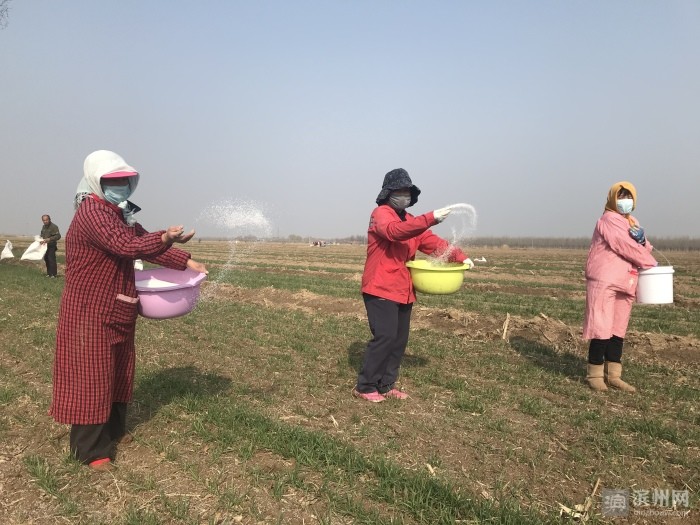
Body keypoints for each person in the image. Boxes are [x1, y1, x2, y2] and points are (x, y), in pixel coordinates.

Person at [49, 150, 208, 470]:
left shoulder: (120, 211)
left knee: (119, 372)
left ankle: (115, 431)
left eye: (126, 180)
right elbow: (127, 246)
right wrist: (164, 238)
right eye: (114, 181)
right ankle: (90, 451)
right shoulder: (92, 213)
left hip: (119, 303)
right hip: (89, 310)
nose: (122, 186)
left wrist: (183, 258)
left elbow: (142, 238)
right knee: (92, 377)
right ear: (96, 182)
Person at [353, 168, 473, 402]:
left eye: (407, 191)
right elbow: (393, 232)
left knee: (398, 340)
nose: (404, 195)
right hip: (380, 287)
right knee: (385, 337)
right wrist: (429, 218)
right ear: (388, 193)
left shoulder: (411, 221)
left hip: (403, 290)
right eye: (400, 190)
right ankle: (365, 386)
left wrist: (460, 256)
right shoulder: (380, 214)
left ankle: (386, 384)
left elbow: (433, 244)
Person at [582, 181, 657, 393]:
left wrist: (643, 242)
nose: (625, 201)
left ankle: (613, 375)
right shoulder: (608, 220)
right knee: (601, 326)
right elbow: (623, 245)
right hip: (605, 278)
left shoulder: (631, 221)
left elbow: (643, 245)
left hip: (626, 280)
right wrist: (650, 261)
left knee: (618, 328)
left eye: (629, 197)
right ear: (613, 199)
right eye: (621, 197)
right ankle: (595, 374)